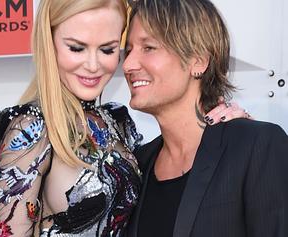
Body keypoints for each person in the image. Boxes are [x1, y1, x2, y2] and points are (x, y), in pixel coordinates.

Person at [0, 0, 249, 236]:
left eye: (108, 50)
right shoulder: (29, 128)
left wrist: (226, 129)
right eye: (77, 48)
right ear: (48, 43)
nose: (94, 65)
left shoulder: (116, 122)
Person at [121, 0, 288, 237]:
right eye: (128, 51)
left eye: (148, 48)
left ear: (198, 61)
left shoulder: (257, 146)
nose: (127, 64)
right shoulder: (137, 165)